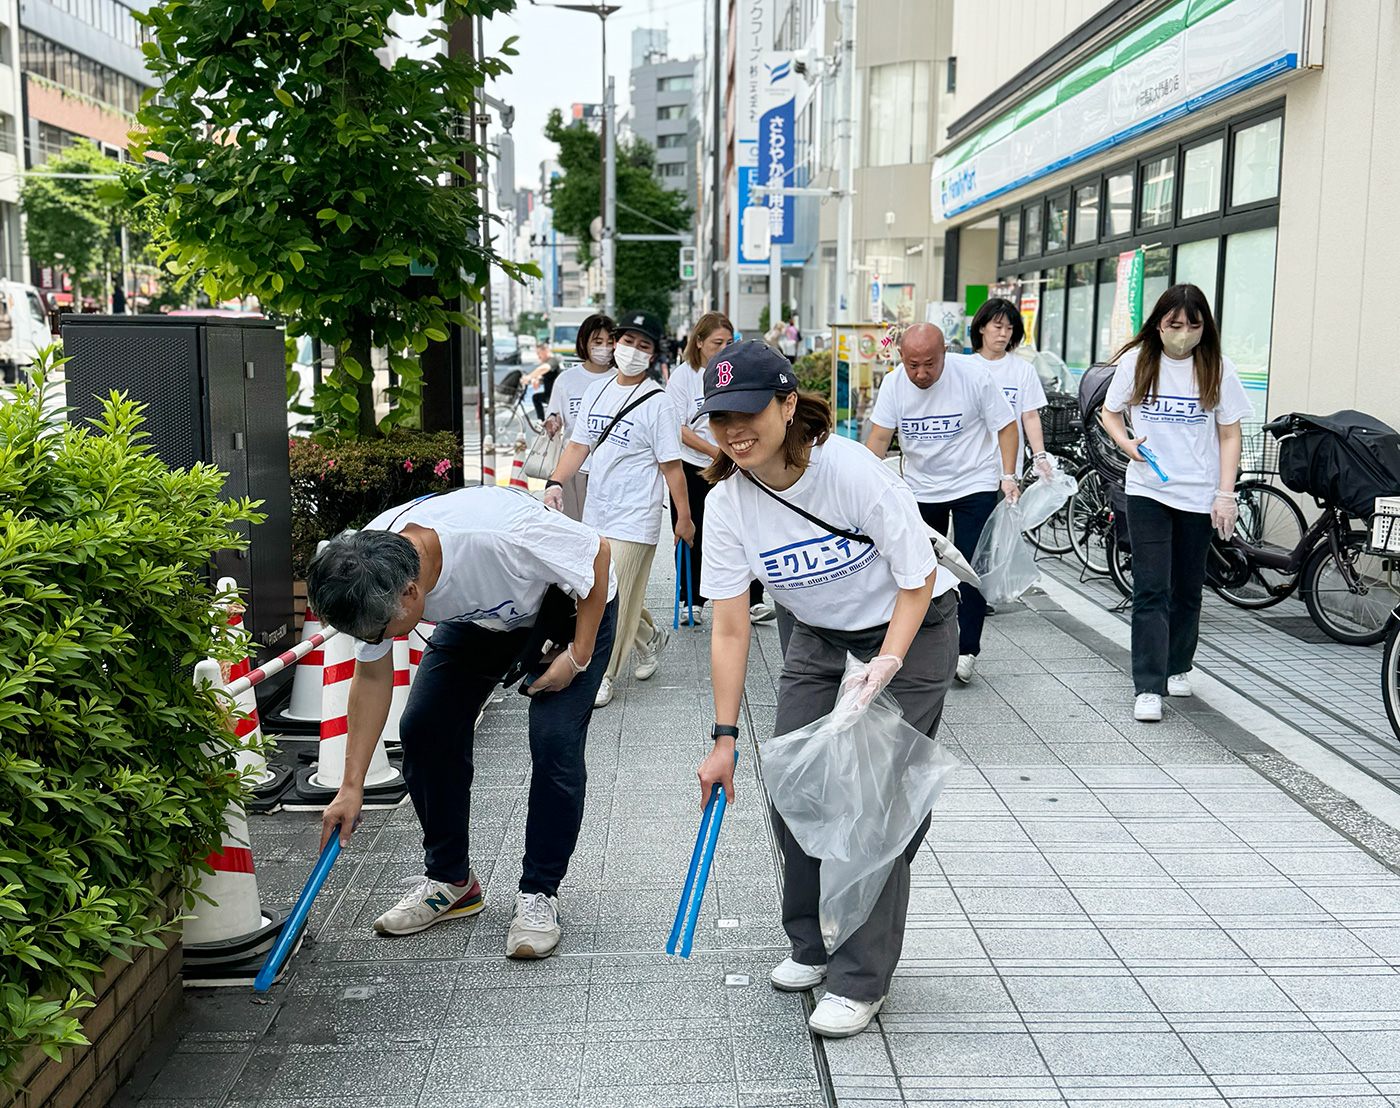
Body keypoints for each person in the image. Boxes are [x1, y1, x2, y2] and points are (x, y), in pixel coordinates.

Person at [694, 341, 959, 1038]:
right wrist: (724, 738)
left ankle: (859, 978)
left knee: (877, 803)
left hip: (913, 626)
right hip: (815, 629)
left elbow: (916, 576)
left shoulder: (849, 471)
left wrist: (889, 663)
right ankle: (811, 944)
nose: (733, 432)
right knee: (796, 782)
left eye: (746, 412)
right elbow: (728, 627)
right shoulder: (726, 502)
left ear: (787, 404)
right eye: (719, 418)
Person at [307, 485, 617, 958]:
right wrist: (351, 788)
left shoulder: (497, 535)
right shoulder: (367, 570)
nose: (374, 640)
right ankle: (451, 881)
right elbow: (371, 675)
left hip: (571, 606)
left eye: (380, 631)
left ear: (411, 593)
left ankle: (539, 894)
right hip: (482, 620)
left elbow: (597, 554)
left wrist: (578, 655)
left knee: (554, 740)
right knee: (425, 729)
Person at [1099, 284, 1251, 722]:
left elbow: (1229, 434)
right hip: (1149, 489)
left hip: (1199, 493)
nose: (1184, 333)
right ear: (1159, 324)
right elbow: (1110, 412)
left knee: (1188, 588)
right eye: (1174, 324)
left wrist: (1225, 495)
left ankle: (1177, 666)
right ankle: (1148, 685)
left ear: (1206, 327)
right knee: (1151, 588)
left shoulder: (1218, 369)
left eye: (1193, 325)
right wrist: (1125, 442)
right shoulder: (1138, 362)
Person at [545, 309, 695, 708]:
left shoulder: (658, 402)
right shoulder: (598, 390)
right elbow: (579, 445)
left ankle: (603, 674)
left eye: (643, 345)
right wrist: (555, 482)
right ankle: (648, 638)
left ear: (653, 355)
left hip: (636, 517)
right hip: (597, 511)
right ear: (616, 344)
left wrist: (683, 517)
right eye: (628, 341)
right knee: (597, 591)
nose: (632, 350)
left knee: (615, 596)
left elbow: (672, 465)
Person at [864, 322, 1019, 685]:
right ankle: (920, 641)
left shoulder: (974, 376)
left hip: (974, 481)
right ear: (901, 357)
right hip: (920, 486)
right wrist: (866, 488)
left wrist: (1008, 475)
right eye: (912, 364)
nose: (921, 373)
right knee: (916, 568)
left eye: (930, 364)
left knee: (969, 566)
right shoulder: (893, 384)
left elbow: (1006, 426)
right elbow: (879, 438)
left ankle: (967, 650)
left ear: (945, 353)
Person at [966, 297, 1055, 480]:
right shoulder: (965, 368)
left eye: (1009, 328)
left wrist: (1040, 456)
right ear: (982, 328)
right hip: (968, 465)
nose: (1003, 334)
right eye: (997, 327)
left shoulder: (1023, 370)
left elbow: (1029, 416)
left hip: (1006, 466)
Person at [544, 314, 615, 520]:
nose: (604, 348)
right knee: (575, 530)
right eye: (597, 342)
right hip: (575, 470)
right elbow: (555, 414)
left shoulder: (621, 380)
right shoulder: (567, 380)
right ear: (584, 343)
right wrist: (552, 422)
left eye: (609, 342)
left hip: (609, 470)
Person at [523, 340, 562, 421]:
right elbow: (549, 377)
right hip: (550, 395)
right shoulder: (550, 361)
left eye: (539, 353)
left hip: (554, 397)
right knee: (536, 397)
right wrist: (539, 380)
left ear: (546, 351)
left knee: (536, 398)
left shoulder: (553, 360)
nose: (538, 357)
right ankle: (542, 420)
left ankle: (541, 421)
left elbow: (544, 368)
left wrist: (529, 377)